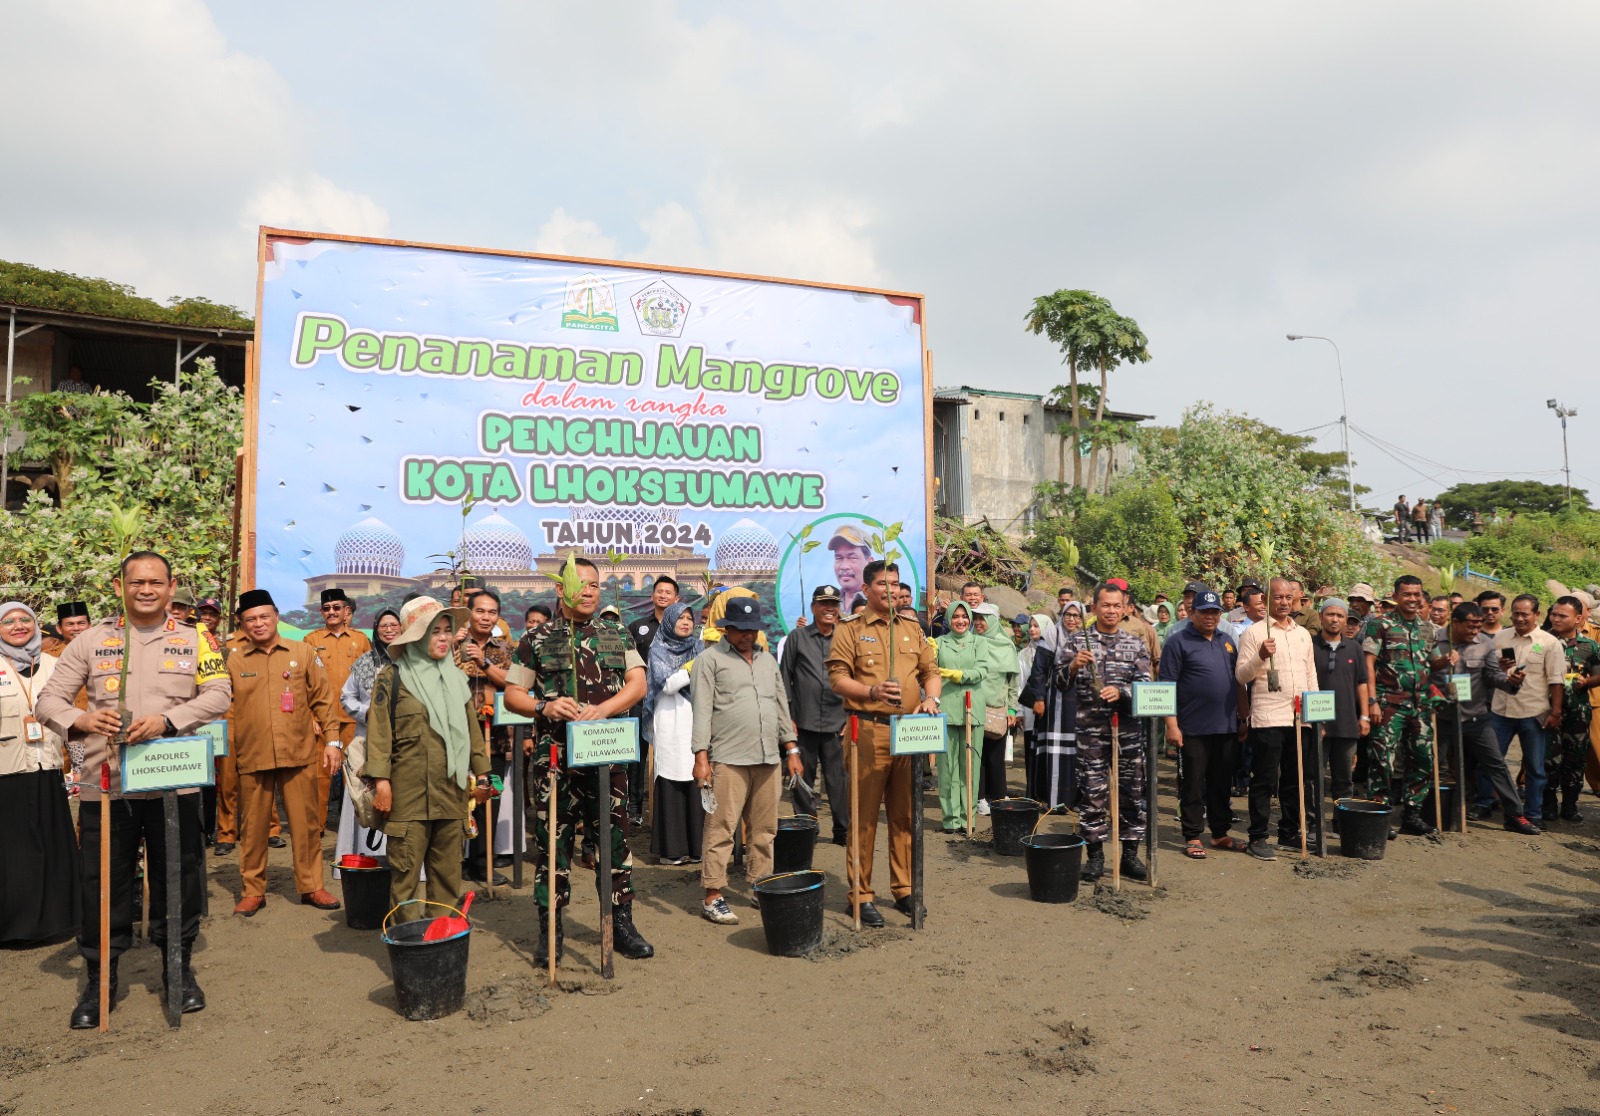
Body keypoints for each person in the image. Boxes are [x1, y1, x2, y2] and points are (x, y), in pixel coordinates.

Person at [36, 551, 231, 1028]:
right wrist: (81, 719)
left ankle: (178, 973)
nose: (146, 589)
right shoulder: (91, 640)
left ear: (170, 587)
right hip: (108, 787)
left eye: (156, 582)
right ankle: (100, 979)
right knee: (104, 885)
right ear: (121, 585)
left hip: (174, 784)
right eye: (137, 581)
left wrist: (169, 720)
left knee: (178, 879)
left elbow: (220, 692)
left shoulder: (196, 639)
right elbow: (48, 701)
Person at [505, 556, 653, 964]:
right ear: (560, 588)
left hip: (608, 754)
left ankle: (620, 921)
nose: (588, 591)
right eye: (580, 584)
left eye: (594, 585)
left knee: (615, 841)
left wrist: (604, 709)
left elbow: (637, 684)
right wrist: (543, 708)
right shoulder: (537, 638)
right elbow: (513, 695)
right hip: (556, 758)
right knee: (554, 843)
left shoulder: (615, 633)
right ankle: (549, 928)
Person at [826, 559, 941, 927]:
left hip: (909, 731)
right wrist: (871, 691)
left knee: (905, 815)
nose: (890, 590)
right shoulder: (849, 630)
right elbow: (838, 679)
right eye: (882, 584)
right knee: (863, 818)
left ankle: (904, 889)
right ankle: (860, 895)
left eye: (895, 583)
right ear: (866, 588)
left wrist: (931, 699)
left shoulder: (911, 627)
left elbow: (930, 671)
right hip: (868, 731)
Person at [364, 597, 492, 910]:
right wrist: (381, 783)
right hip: (408, 796)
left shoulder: (455, 678)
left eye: (448, 630)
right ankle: (406, 950)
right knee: (405, 879)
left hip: (452, 791)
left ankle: (442, 943)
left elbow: (471, 732)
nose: (444, 638)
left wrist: (484, 775)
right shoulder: (392, 678)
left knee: (447, 877)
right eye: (435, 631)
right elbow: (379, 734)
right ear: (417, 637)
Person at [227, 589, 343, 916]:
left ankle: (312, 886)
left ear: (276, 616)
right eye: (251, 619)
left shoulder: (303, 653)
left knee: (306, 825)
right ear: (241, 623)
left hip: (300, 753)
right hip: (253, 756)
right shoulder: (233, 658)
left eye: (265, 616)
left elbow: (323, 700)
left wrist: (333, 742)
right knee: (252, 828)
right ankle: (253, 890)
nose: (259, 624)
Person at [691, 597, 800, 923]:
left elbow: (781, 707)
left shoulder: (767, 661)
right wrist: (701, 757)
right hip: (729, 759)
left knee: (765, 830)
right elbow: (701, 712)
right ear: (727, 629)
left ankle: (759, 885)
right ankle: (713, 894)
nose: (747, 636)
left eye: (752, 630)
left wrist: (792, 750)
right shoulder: (709, 660)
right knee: (721, 828)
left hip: (769, 758)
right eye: (740, 630)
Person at [1057, 582, 1153, 881]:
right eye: (1105, 605)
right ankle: (1095, 856)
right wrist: (1073, 666)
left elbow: (1147, 688)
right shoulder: (1077, 642)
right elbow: (1058, 684)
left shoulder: (1135, 643)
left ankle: (1130, 857)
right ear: (1094, 607)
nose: (1111, 610)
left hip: (1128, 732)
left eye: (1116, 605)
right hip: (1090, 732)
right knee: (1092, 794)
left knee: (1132, 793)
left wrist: (1122, 692)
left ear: (1125, 608)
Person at [0, 601, 81, 944]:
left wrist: (79, 764)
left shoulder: (54, 665)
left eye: (25, 620)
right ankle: (14, 928)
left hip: (47, 768)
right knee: (13, 854)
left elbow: (70, 719)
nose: (18, 626)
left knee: (52, 846)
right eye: (8, 621)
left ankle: (57, 921)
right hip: (6, 773)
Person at [1434, 603, 1538, 834]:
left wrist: (1510, 681)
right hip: (1440, 717)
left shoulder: (1485, 643)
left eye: (1478, 626)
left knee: (1496, 764)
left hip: (1475, 717)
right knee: (1432, 765)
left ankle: (1514, 815)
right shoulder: (1434, 639)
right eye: (1470, 626)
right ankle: (1426, 813)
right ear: (1456, 622)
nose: (1475, 631)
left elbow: (1492, 675)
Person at [1236, 577, 1319, 859]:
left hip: (1299, 718)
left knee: (1295, 779)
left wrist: (1315, 714)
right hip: (1268, 717)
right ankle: (1257, 837)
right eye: (1278, 598)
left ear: (1295, 599)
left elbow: (1311, 675)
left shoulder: (1303, 634)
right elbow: (1241, 676)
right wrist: (1260, 656)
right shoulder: (1254, 633)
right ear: (1266, 600)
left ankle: (1289, 832)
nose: (1284, 602)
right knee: (1264, 780)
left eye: (1288, 597)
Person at [1158, 590, 1242, 857]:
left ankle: (1219, 834)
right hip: (1191, 727)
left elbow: (1238, 683)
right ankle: (1192, 835)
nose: (1210, 616)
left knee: (1221, 783)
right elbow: (1167, 685)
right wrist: (1171, 724)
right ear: (1191, 613)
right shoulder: (1177, 641)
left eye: (1215, 612)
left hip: (1226, 726)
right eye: (1204, 611)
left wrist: (1244, 718)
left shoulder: (1227, 641)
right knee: (1192, 783)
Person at [1364, 575, 1448, 836]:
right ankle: (1380, 814)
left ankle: (1412, 813)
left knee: (1423, 759)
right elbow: (1368, 664)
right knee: (1382, 760)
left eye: (1417, 594)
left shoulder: (1428, 628)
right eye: (1407, 594)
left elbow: (1432, 663)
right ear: (1396, 595)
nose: (1413, 599)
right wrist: (1372, 702)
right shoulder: (1380, 625)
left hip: (1420, 705)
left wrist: (1446, 659)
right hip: (1389, 703)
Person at [1484, 594, 1565, 825]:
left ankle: (1533, 814)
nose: (1519, 618)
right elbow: (1489, 674)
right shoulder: (1500, 637)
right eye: (1516, 613)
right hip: (1501, 710)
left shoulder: (1549, 643)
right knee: (1491, 761)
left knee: (1535, 768)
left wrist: (1555, 712)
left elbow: (1556, 681)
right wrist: (1499, 667)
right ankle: (1483, 804)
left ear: (1536, 615)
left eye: (1525, 614)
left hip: (1533, 712)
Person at [780, 585, 851, 846]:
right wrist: (788, 718)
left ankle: (842, 830)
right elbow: (785, 678)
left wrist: (851, 715)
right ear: (813, 608)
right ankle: (806, 827)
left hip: (837, 723)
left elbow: (855, 677)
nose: (829, 608)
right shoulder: (797, 637)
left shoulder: (846, 638)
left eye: (833, 604)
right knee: (802, 780)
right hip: (803, 721)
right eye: (824, 604)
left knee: (838, 780)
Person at [454, 589, 514, 885]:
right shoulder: (453, 644)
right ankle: (453, 862)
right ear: (469, 613)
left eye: (492, 612)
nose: (486, 617)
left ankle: (482, 863)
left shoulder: (503, 649)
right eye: (480, 611)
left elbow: (513, 684)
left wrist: (484, 664)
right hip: (455, 735)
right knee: (455, 797)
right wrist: (455, 649)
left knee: (487, 797)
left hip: (495, 735)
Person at [303, 588, 372, 833]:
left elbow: (369, 682)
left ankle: (355, 828)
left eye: (336, 607)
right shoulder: (312, 641)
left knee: (355, 775)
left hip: (354, 721)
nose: (332, 612)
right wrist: (311, 716)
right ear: (321, 612)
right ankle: (317, 825)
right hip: (323, 721)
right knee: (320, 777)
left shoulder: (361, 640)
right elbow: (304, 683)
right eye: (327, 608)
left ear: (346, 611)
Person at [336, 608, 402, 863]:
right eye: (383, 625)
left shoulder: (409, 660)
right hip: (367, 742)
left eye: (393, 624)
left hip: (401, 742)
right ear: (376, 629)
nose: (388, 629)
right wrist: (368, 713)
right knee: (367, 796)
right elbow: (346, 697)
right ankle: (364, 860)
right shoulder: (366, 661)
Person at [646, 602, 702, 865]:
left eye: (689, 618)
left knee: (695, 781)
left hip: (695, 721)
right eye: (680, 617)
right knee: (671, 780)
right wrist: (692, 667)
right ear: (669, 621)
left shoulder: (699, 647)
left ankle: (696, 847)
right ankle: (671, 850)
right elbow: (667, 684)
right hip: (669, 722)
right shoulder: (658, 650)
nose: (685, 622)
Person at [1311, 598, 1371, 807]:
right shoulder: (1310, 646)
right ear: (1320, 617)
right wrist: (1313, 722)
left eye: (1340, 616)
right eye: (1330, 614)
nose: (1334, 619)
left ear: (1346, 620)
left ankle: (1341, 823)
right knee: (1314, 777)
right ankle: (1314, 824)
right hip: (1316, 723)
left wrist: (1364, 716)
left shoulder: (1354, 649)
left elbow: (1362, 683)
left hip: (1347, 724)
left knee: (1344, 779)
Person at [934, 599, 988, 832]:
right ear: (948, 620)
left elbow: (982, 671)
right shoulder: (938, 643)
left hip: (971, 711)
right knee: (947, 768)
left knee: (969, 768)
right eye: (955, 617)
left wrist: (958, 675)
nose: (960, 621)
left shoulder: (979, 642)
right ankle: (950, 819)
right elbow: (930, 672)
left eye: (964, 616)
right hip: (945, 708)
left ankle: (968, 818)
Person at [1547, 596, 1600, 822]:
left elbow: (1598, 674)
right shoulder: (1543, 641)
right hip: (1547, 711)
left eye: (1562, 616)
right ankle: (1548, 804)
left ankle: (1570, 805)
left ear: (1578, 619)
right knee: (1549, 759)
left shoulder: (1589, 646)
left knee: (1575, 759)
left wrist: (1586, 682)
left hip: (1578, 712)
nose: (1556, 619)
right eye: (1554, 614)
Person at [1022, 604, 1078, 810]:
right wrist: (1038, 698)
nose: (1071, 619)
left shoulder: (1088, 638)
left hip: (1079, 703)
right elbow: (1038, 671)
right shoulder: (1052, 635)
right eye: (1068, 615)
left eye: (1076, 615)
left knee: (1076, 751)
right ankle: (1052, 800)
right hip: (1054, 702)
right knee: (1053, 752)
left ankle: (1074, 800)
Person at [971, 602, 1018, 813]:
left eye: (983, 619)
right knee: (977, 756)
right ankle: (980, 798)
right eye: (977, 618)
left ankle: (998, 797)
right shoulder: (970, 642)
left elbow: (1012, 682)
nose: (979, 623)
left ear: (993, 622)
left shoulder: (1006, 646)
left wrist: (1011, 709)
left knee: (996, 757)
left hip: (999, 708)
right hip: (975, 707)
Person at [827, 525, 874, 607]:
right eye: (839, 558)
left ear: (869, 563)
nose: (844, 566)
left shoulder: (880, 604)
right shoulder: (830, 604)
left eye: (852, 557)